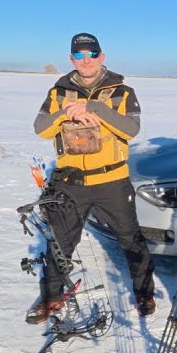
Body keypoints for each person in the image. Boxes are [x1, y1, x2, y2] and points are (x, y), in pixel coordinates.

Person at [30, 32, 156, 322]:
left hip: (112, 181)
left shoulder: (123, 92)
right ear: (72, 59)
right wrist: (64, 114)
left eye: (92, 54)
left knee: (131, 239)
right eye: (80, 55)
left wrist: (95, 109)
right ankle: (51, 297)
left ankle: (143, 292)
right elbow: (41, 128)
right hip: (70, 182)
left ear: (102, 57)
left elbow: (130, 130)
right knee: (60, 243)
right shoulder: (57, 92)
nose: (86, 60)